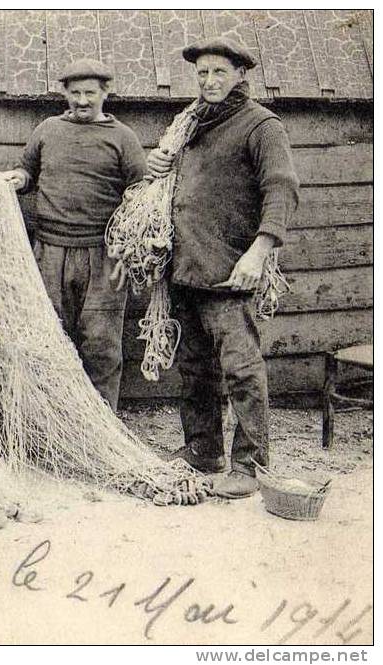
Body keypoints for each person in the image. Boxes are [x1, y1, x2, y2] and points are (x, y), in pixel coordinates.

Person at [147, 37, 299, 498]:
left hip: (232, 271)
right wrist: (157, 165)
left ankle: (250, 468)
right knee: (195, 368)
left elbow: (282, 189)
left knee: (241, 370)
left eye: (219, 72)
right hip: (187, 267)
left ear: (239, 75)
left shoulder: (260, 125)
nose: (209, 81)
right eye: (202, 73)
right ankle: (202, 450)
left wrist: (259, 252)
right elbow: (174, 184)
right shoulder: (190, 123)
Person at [1, 59, 147, 410]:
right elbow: (28, 170)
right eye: (75, 93)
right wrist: (17, 180)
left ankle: (102, 427)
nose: (82, 101)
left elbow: (141, 193)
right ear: (65, 92)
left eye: (90, 93)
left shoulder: (123, 138)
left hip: (104, 255)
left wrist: (128, 250)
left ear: (105, 93)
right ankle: (53, 426)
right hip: (49, 252)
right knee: (47, 337)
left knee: (100, 344)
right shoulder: (48, 130)